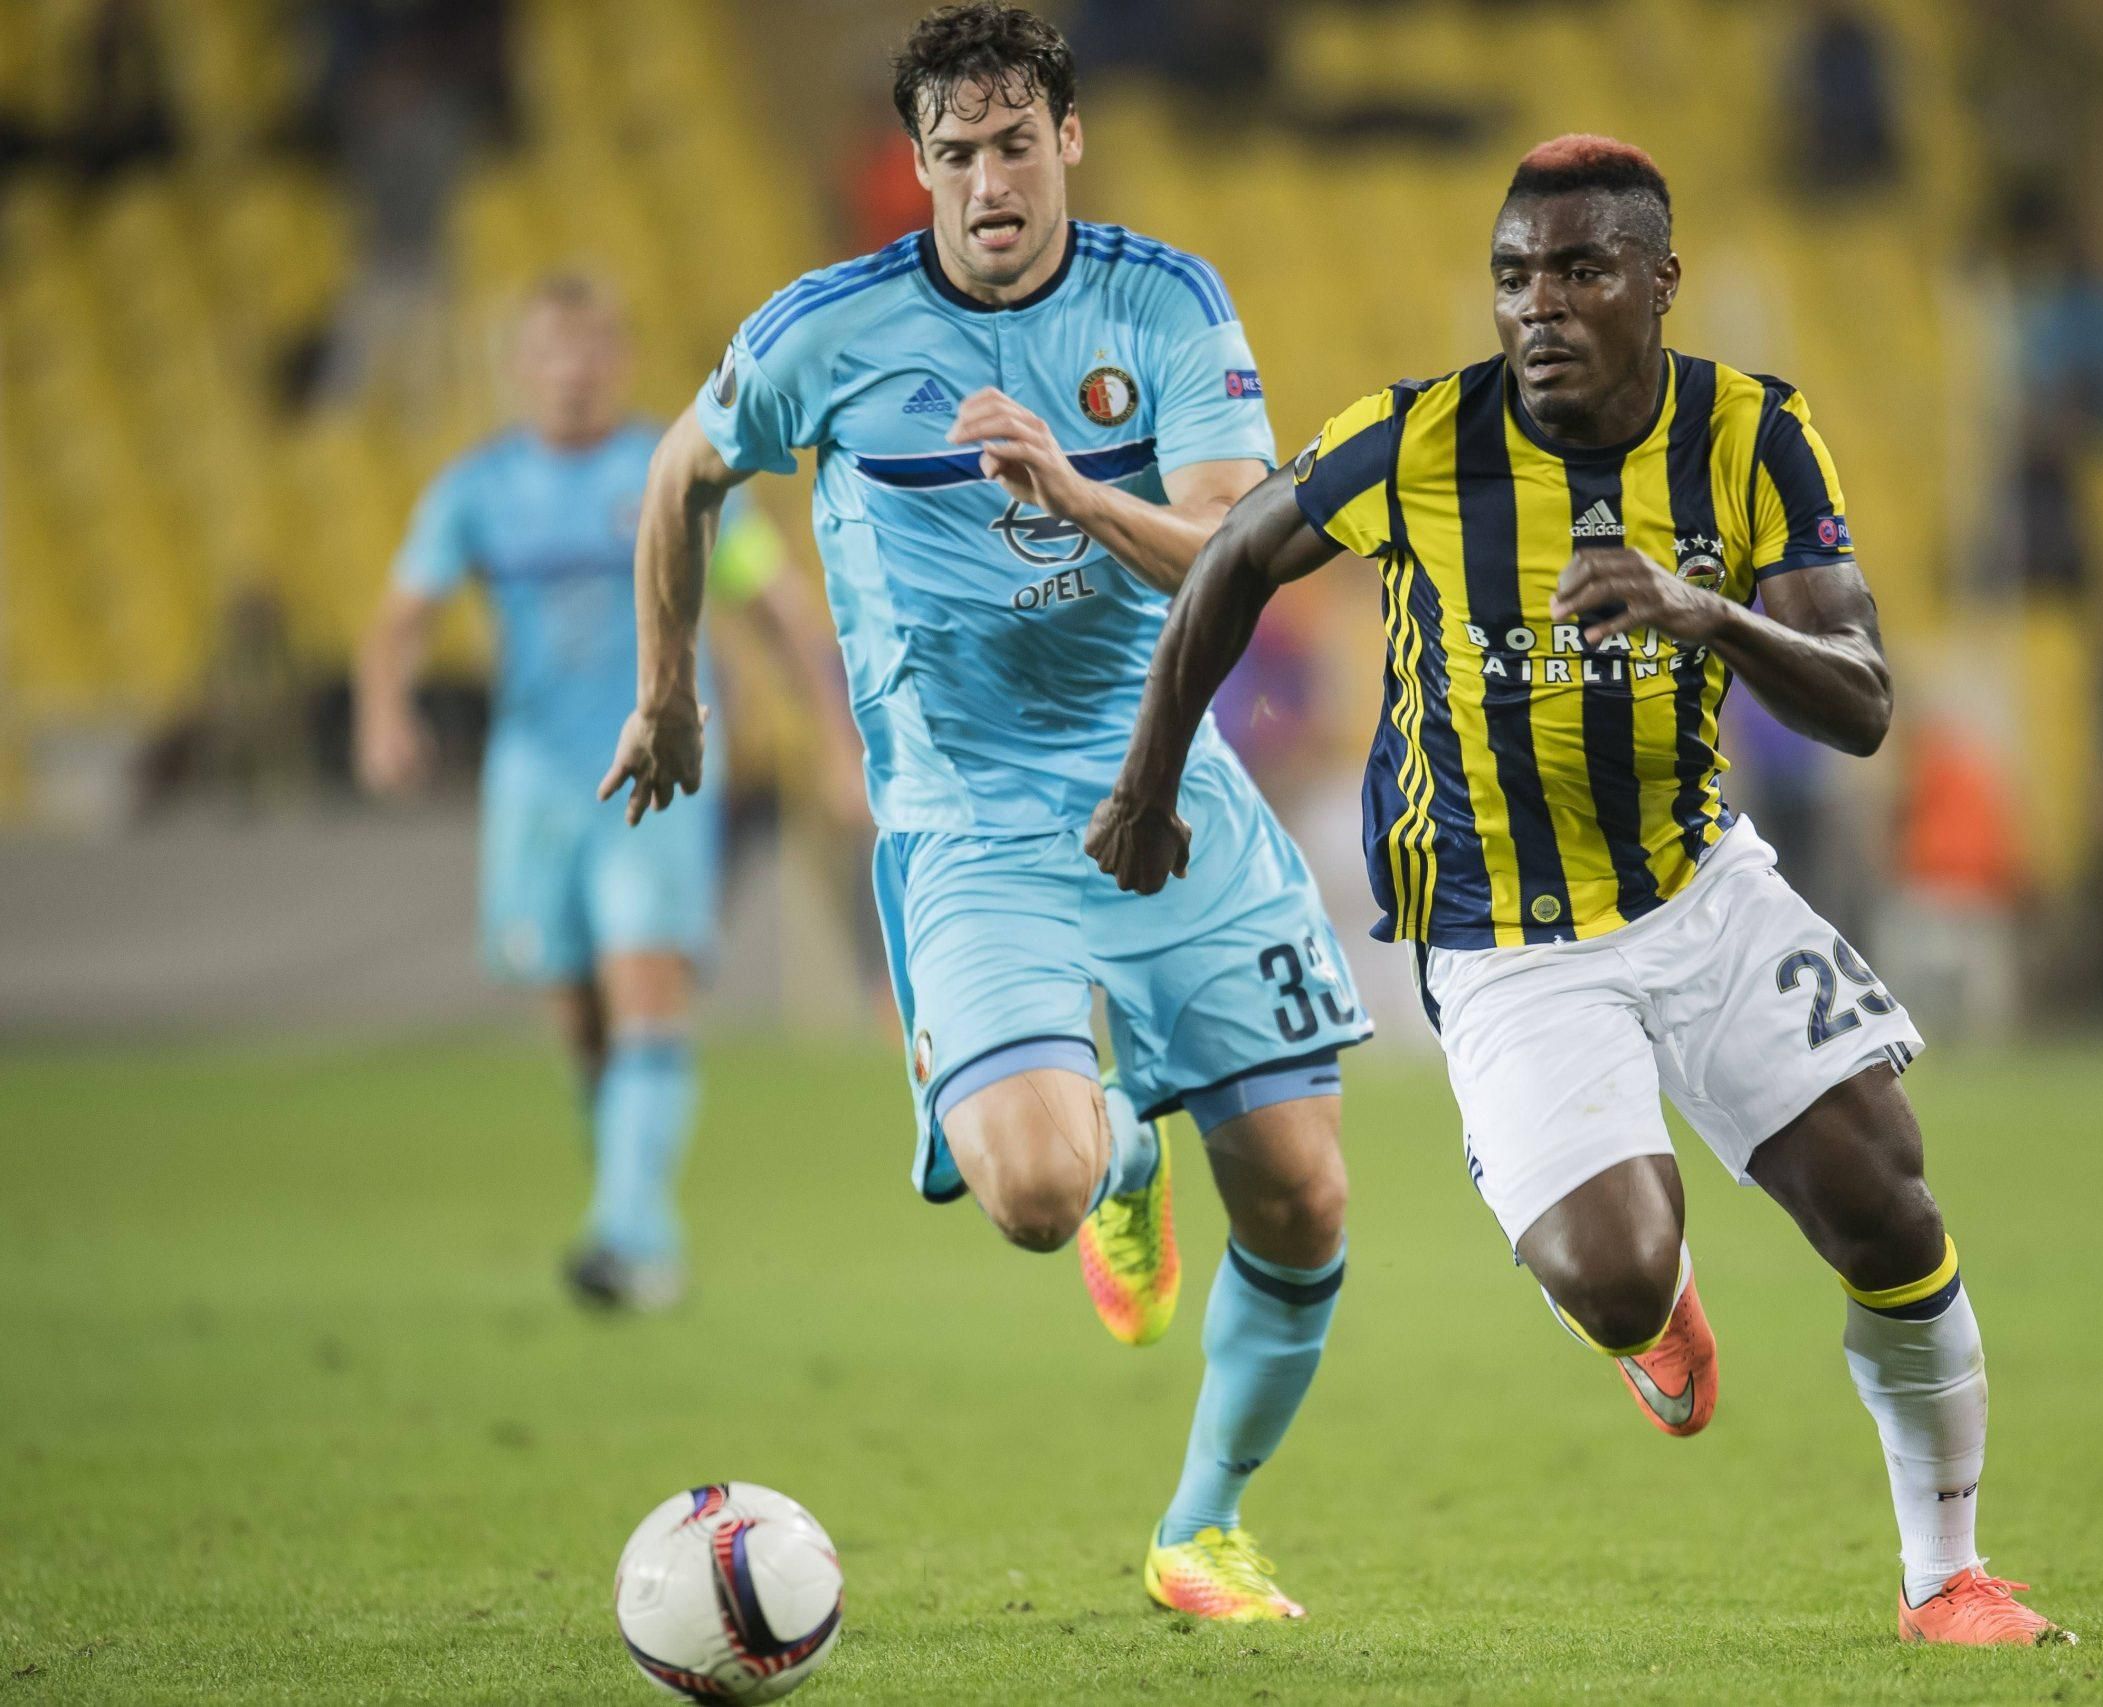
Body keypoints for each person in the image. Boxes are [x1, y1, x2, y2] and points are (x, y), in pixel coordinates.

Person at [1089, 135, 2072, 1647]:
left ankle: (1948, 1575)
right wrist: (1149, 782)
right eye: (1512, 276)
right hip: (1504, 939)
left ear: (1659, 285)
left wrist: (1699, 607)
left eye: (1578, 270)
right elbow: (1230, 562)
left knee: (1885, 1195)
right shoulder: (1416, 438)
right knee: (1616, 1276)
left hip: (1698, 887)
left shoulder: (1751, 431)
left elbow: (1867, 701)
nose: (1536, 306)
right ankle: (1652, 1308)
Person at [598, 3, 1368, 1622]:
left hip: (1161, 781)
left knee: (1301, 1192)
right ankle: (1116, 1157)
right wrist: (672, 691)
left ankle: (1201, 1527)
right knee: (1031, 1195)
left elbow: (1255, 553)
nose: (988, 183)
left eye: (1015, 145)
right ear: (920, 166)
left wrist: (1081, 494)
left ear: (1068, 139)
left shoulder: (1166, 303)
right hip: (966, 821)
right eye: (955, 156)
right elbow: (680, 472)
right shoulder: (831, 330)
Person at [354, 273, 863, 1311]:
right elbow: (399, 617)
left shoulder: (671, 469)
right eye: (552, 352)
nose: (574, 373)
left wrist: (834, 740)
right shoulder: (479, 488)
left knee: (643, 984)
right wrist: (384, 713)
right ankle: (631, 1211)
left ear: (620, 362)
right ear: (521, 369)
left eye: (592, 350)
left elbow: (779, 605)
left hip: (664, 773)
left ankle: (630, 1233)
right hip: (537, 783)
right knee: (581, 1013)